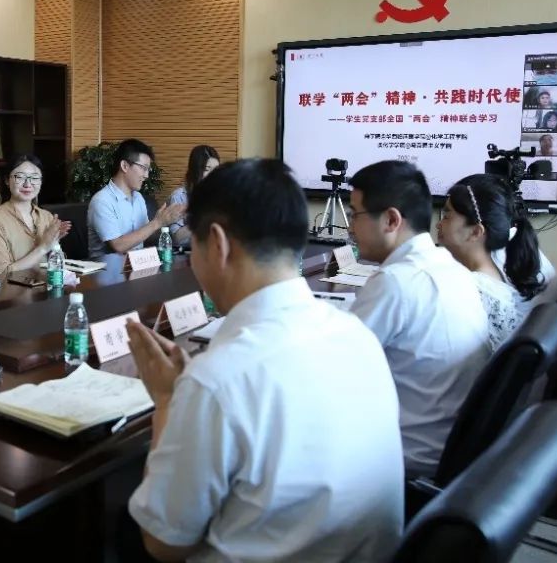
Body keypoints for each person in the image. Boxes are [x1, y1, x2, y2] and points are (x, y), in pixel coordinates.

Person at [124, 159, 403, 562]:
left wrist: (168, 401)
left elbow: (164, 543)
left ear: (216, 244)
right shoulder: (356, 333)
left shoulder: (216, 379)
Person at [347, 160, 489, 476]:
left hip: (408, 456)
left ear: (391, 220)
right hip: (446, 446)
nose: (350, 227)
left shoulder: (397, 281)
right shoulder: (449, 267)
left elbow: (334, 371)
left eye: (355, 214)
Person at [436, 174, 546, 350]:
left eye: (447, 215)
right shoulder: (492, 277)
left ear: (476, 232)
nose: (438, 224)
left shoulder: (472, 290)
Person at [87, 139, 185, 262]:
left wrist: (166, 221)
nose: (146, 175)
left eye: (148, 169)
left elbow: (146, 236)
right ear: (125, 166)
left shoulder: (138, 198)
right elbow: (118, 246)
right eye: (143, 168)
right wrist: (157, 222)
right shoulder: (102, 201)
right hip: (107, 270)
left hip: (136, 266)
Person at [0, 153, 71, 275]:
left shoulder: (47, 217)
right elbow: (3, 274)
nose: (28, 184)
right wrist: (43, 247)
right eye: (20, 177)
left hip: (47, 284)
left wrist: (54, 245)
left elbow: (58, 265)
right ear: (7, 180)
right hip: (9, 287)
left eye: (34, 178)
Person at [167, 145, 219, 247]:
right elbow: (176, 238)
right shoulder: (179, 196)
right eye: (207, 169)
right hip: (187, 252)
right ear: (196, 171)